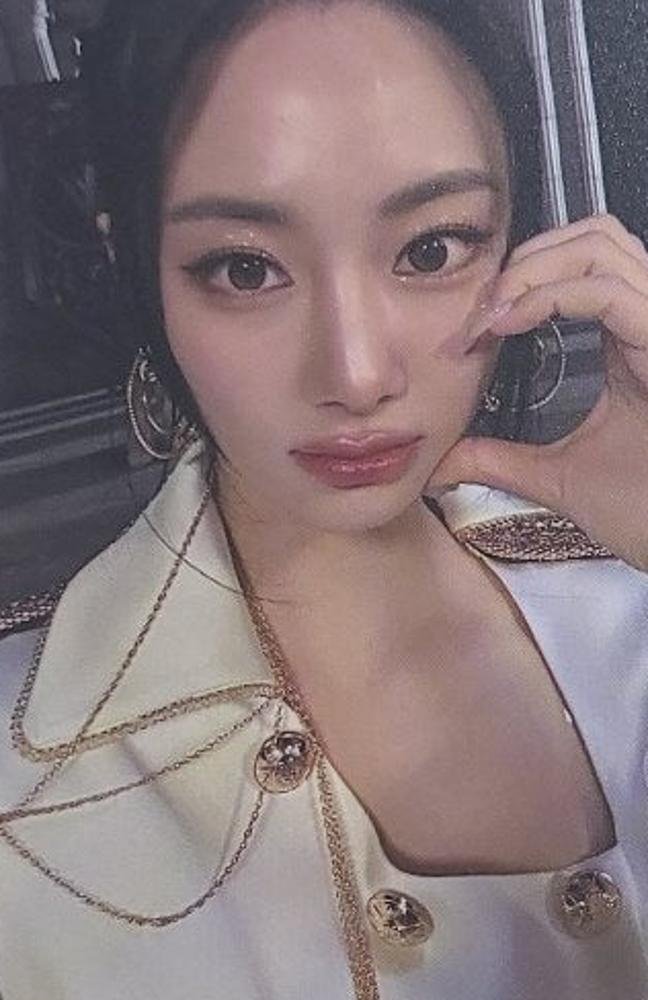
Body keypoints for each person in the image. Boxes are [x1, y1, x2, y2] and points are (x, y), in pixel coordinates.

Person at [1, 1, 648, 997]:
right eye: (245, 268)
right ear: (138, 270)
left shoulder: (624, 587)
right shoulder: (30, 774)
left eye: (430, 250)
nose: (355, 374)